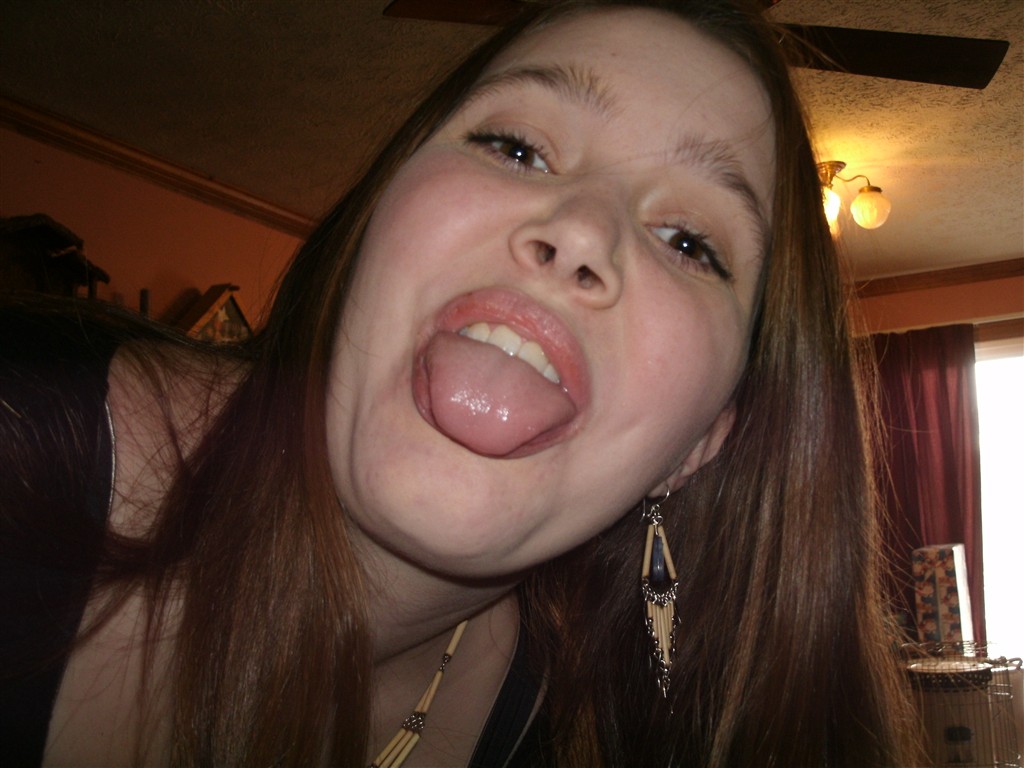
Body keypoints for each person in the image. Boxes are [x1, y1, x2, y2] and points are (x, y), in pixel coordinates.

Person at [0, 1, 923, 765]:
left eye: (689, 241)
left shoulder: (583, 724)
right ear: (377, 220)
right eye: (517, 149)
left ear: (698, 446)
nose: (583, 231)